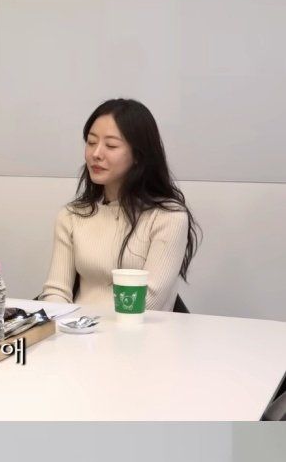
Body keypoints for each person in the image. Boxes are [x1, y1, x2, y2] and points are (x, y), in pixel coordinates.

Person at [46, 93, 196, 309]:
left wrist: (91, 325)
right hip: (77, 328)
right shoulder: (71, 216)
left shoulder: (168, 217)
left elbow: (148, 302)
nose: (96, 154)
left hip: (135, 328)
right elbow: (56, 291)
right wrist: (62, 320)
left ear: (138, 155)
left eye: (111, 146)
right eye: (91, 142)